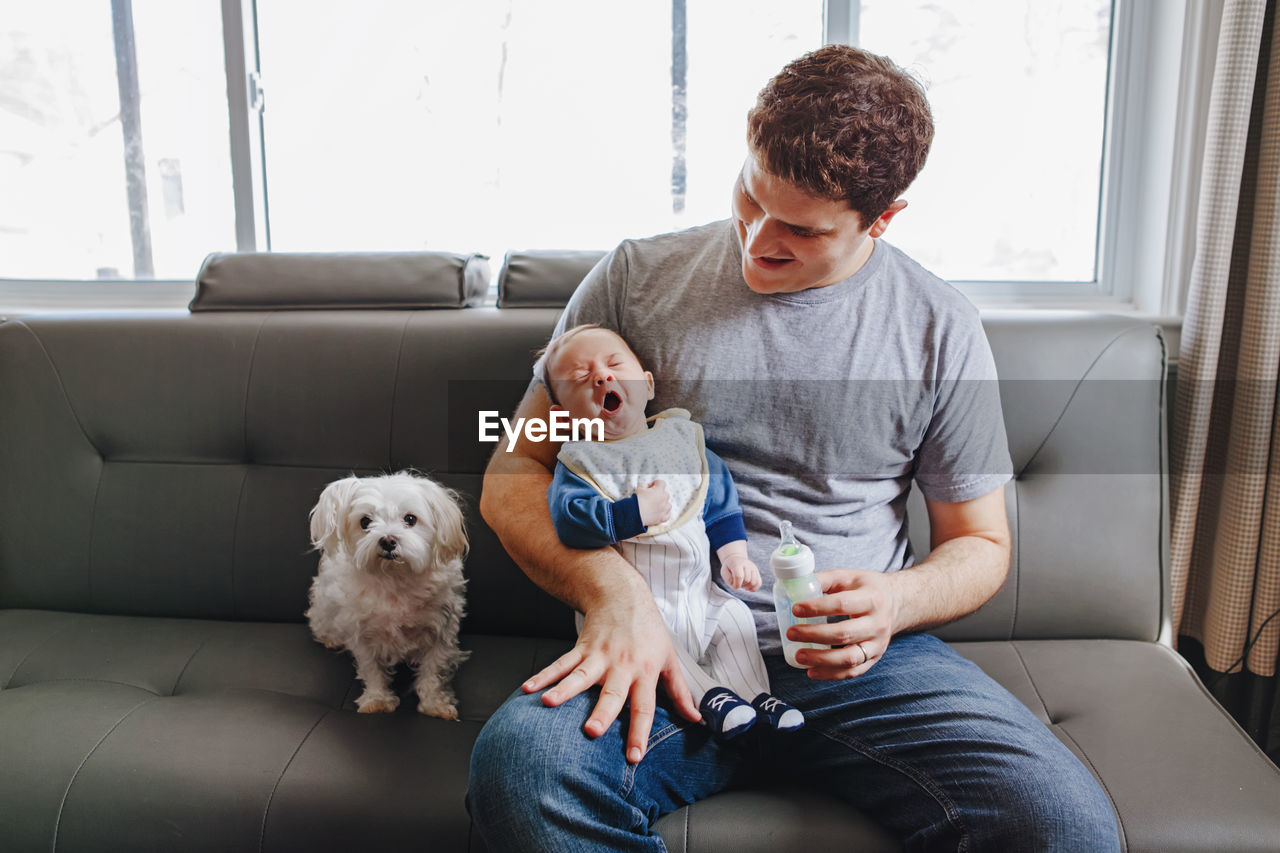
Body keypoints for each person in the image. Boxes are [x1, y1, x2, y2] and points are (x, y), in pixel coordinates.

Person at [468, 44, 1121, 852]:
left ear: (883, 218)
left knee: (1065, 827)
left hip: (864, 667)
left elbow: (981, 545)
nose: (754, 239)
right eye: (748, 193)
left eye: (799, 229)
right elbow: (513, 467)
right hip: (662, 642)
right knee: (522, 771)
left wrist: (895, 602)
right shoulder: (634, 277)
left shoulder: (938, 326)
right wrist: (613, 595)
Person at [540, 323, 805, 738]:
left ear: (647, 385)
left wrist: (733, 555)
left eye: (613, 365)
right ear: (562, 416)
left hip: (702, 594)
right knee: (660, 642)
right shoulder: (580, 464)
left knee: (735, 618)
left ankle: (756, 697)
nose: (602, 377)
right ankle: (711, 698)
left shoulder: (683, 441)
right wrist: (631, 513)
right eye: (580, 378)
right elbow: (571, 523)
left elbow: (718, 503)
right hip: (640, 608)